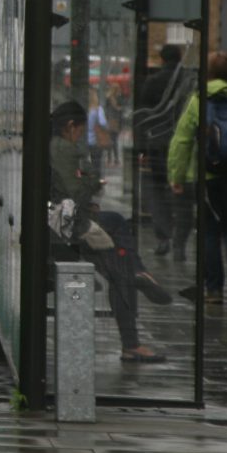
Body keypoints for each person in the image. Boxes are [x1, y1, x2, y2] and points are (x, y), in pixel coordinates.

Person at [49, 100, 170, 363]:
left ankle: (135, 274)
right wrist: (93, 181)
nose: (80, 136)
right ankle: (132, 337)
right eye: (80, 131)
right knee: (118, 234)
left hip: (59, 225)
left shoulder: (54, 146)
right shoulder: (63, 149)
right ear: (71, 127)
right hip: (66, 230)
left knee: (120, 262)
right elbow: (74, 191)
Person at [168, 51, 227, 305]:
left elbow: (182, 141)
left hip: (206, 177)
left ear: (208, 75)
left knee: (210, 231)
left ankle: (213, 290)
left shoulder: (197, 102)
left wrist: (176, 176)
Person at [135, 45, 190, 257]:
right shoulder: (188, 81)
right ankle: (179, 241)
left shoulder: (153, 82)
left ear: (161, 59)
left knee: (157, 192)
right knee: (181, 194)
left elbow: (143, 117)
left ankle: (163, 237)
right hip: (183, 145)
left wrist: (142, 148)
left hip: (157, 145)